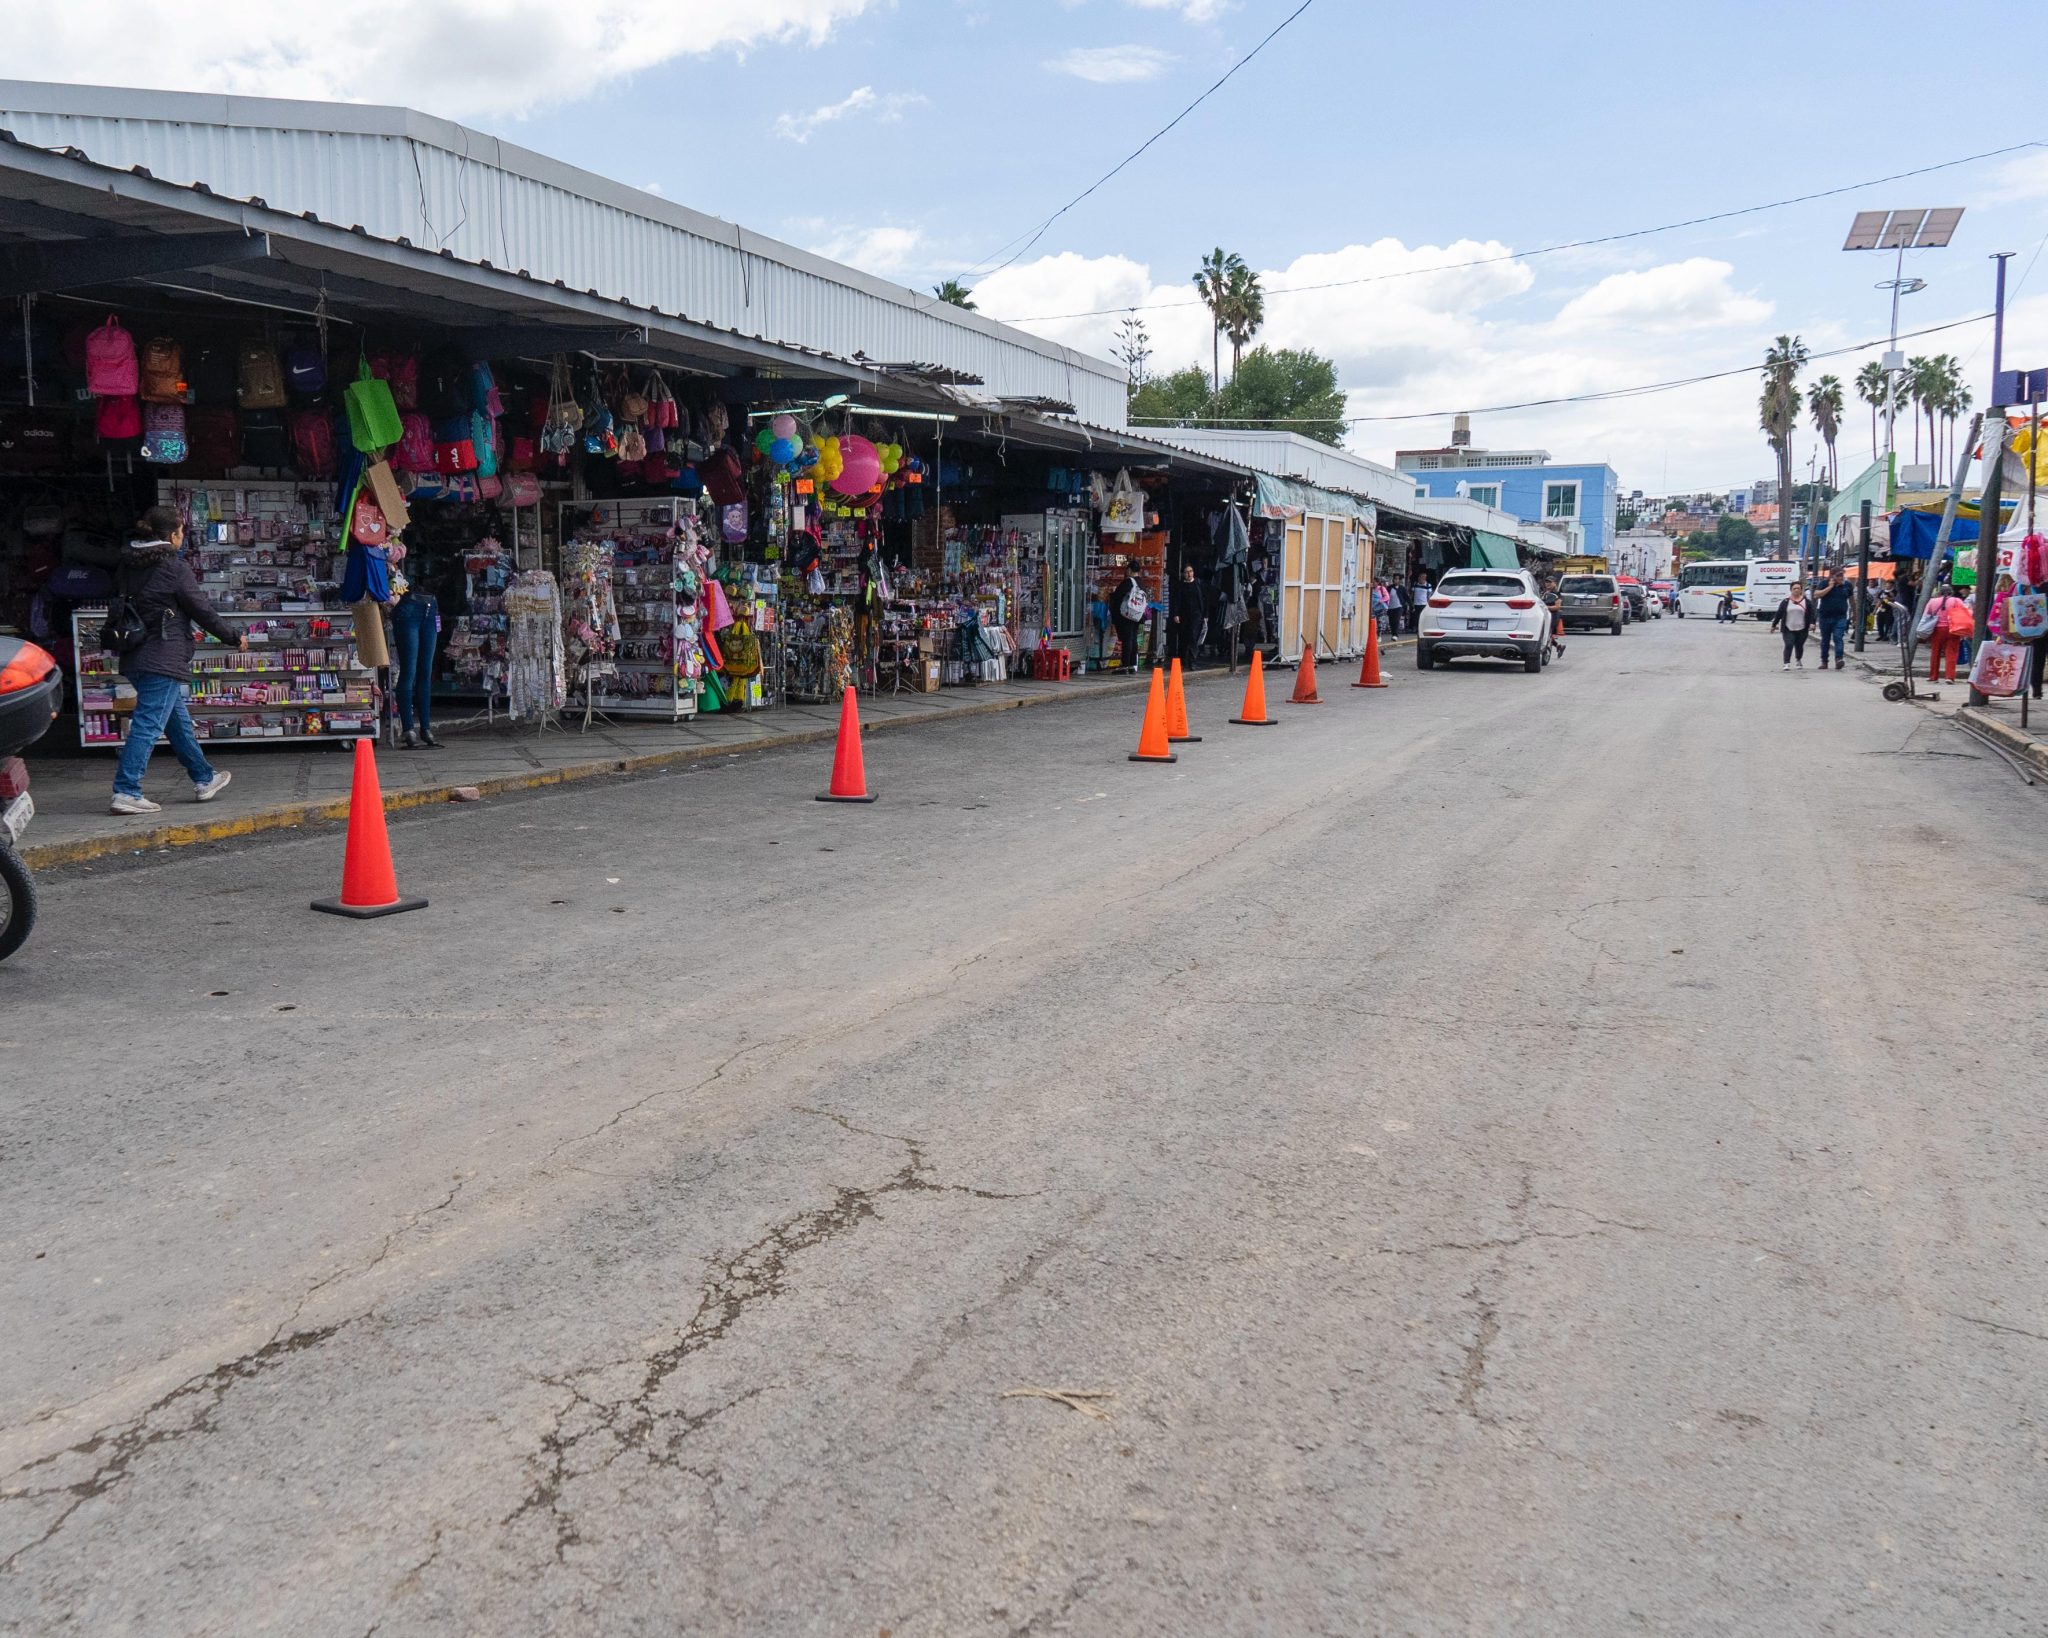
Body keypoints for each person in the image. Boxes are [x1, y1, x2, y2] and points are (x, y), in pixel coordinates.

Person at [109, 504, 246, 816]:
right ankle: (126, 790)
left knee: (177, 721)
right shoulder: (173, 568)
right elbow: (201, 610)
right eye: (181, 532)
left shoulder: (128, 564)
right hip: (163, 656)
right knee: (147, 724)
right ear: (172, 535)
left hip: (134, 655)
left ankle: (204, 777)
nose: (182, 538)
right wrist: (233, 636)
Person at [391, 582, 442, 749]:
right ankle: (410, 729)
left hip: (429, 605)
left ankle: (423, 729)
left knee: (423, 672)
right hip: (412, 606)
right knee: (410, 671)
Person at [1922, 581, 1972, 682]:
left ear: (1940, 592)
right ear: (1951, 592)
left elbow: (1926, 615)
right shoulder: (1956, 601)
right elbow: (1966, 612)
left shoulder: (1932, 601)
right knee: (1951, 653)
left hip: (1937, 630)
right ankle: (1949, 676)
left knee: (1935, 653)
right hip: (1953, 629)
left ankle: (1933, 676)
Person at [1812, 571, 1853, 670]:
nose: (1840, 577)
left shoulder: (1847, 585)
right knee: (1825, 640)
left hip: (1840, 617)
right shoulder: (1824, 583)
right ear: (1832, 576)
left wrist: (1855, 613)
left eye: (1842, 575)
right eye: (1838, 575)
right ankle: (1824, 661)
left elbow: (1852, 599)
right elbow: (1816, 595)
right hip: (1825, 617)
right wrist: (1830, 587)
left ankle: (1839, 659)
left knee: (1838, 637)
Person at [1110, 566, 1147, 674]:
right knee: (1133, 638)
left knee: (1127, 639)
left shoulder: (1128, 582)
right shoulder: (1142, 583)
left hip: (1126, 615)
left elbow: (1117, 596)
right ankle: (1132, 665)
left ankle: (1124, 665)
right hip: (1137, 615)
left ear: (1129, 570)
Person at [1769, 580, 1813, 669]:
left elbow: (1811, 613)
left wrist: (1812, 623)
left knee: (1799, 645)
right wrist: (1774, 625)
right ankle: (1786, 663)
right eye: (1794, 588)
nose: (1796, 590)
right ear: (1791, 590)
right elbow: (1779, 614)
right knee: (1789, 644)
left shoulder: (1807, 602)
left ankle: (1798, 660)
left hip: (1802, 628)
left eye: (1798, 588)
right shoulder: (1785, 602)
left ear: (1801, 590)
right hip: (1788, 627)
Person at [1168, 562, 1203, 666]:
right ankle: (1183, 659)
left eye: (1191, 571)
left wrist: (1205, 615)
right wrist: (1176, 614)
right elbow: (1176, 601)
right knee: (1183, 637)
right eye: (1186, 572)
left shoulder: (1198, 584)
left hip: (1196, 615)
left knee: (1193, 636)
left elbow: (1203, 599)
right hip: (1184, 615)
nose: (1189, 574)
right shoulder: (1180, 586)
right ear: (1183, 574)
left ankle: (1193, 660)